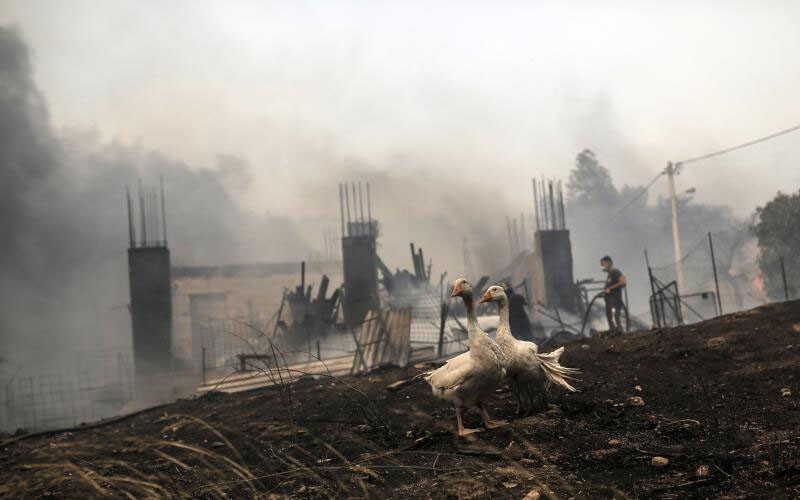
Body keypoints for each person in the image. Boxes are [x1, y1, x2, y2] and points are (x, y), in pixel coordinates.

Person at [600, 256, 626, 334]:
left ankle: (619, 332)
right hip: (609, 301)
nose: (603, 266)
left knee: (614, 317)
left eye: (603, 264)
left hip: (615, 300)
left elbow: (623, 281)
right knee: (610, 317)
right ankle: (613, 331)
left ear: (609, 262)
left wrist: (610, 288)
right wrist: (604, 292)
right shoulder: (610, 275)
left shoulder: (615, 272)